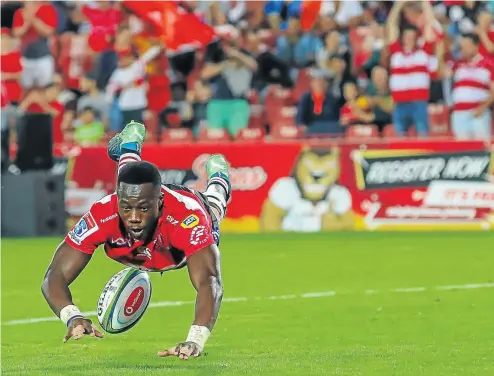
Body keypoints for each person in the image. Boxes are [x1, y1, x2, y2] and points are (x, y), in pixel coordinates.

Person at [41, 120, 232, 360]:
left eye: (143, 209)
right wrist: (71, 315)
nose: (133, 218)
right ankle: (130, 144)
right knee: (130, 183)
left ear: (159, 203)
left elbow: (209, 281)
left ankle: (219, 176)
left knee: (214, 207)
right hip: (138, 203)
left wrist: (195, 340)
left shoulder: (187, 219)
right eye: (126, 208)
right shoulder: (104, 213)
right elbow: (54, 275)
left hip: (189, 214)